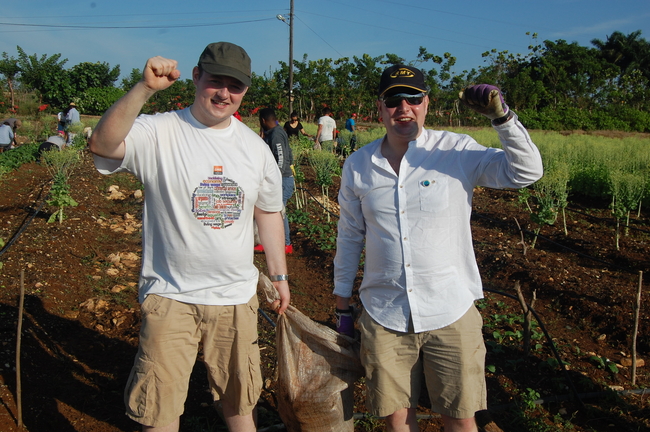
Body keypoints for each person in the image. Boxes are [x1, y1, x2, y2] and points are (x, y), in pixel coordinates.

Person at [88, 42, 290, 432]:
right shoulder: (159, 131)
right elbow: (103, 144)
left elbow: (267, 211)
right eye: (216, 81)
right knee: (159, 410)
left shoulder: (255, 149)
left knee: (240, 402)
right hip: (172, 295)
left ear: (246, 91)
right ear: (197, 77)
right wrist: (144, 89)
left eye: (236, 86)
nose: (224, 94)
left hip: (236, 297)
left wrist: (279, 275)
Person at [333, 64, 543, 432]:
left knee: (460, 418)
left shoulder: (456, 150)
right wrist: (341, 306)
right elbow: (350, 236)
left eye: (413, 98)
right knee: (397, 419)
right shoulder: (359, 166)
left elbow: (525, 172)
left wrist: (502, 118)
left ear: (426, 103)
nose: (404, 108)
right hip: (386, 314)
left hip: (450, 310)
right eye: (394, 100)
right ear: (380, 108)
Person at [259, 108, 295, 254]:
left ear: (263, 121)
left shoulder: (275, 135)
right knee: (274, 211)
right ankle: (271, 242)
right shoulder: (278, 132)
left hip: (282, 180)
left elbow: (280, 157)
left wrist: (275, 179)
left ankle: (286, 244)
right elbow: (289, 153)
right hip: (284, 178)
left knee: (279, 212)